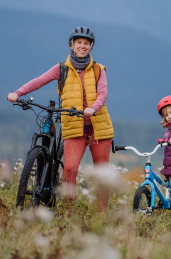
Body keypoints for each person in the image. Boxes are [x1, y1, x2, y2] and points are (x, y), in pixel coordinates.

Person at [7, 27, 114, 211]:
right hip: (73, 127)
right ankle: (68, 213)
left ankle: (101, 215)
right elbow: (38, 81)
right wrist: (18, 93)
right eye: (79, 42)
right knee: (69, 170)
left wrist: (93, 108)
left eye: (86, 43)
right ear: (71, 45)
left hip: (99, 128)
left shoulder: (98, 70)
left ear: (91, 47)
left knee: (101, 175)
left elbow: (102, 95)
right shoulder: (61, 69)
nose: (83, 46)